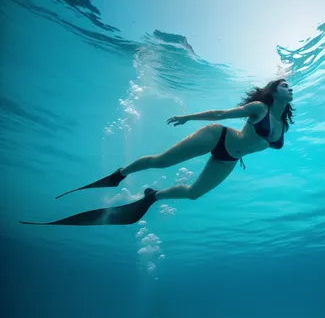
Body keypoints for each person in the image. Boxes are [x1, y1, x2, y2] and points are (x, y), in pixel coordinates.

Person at [20, 79, 295, 226]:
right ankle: (120, 173)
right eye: (284, 85)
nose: (289, 88)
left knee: (194, 193)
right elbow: (223, 113)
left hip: (230, 158)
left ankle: (153, 196)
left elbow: (262, 144)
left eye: (290, 86)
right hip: (218, 135)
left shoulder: (282, 126)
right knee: (162, 162)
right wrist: (188, 117)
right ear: (273, 91)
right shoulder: (259, 109)